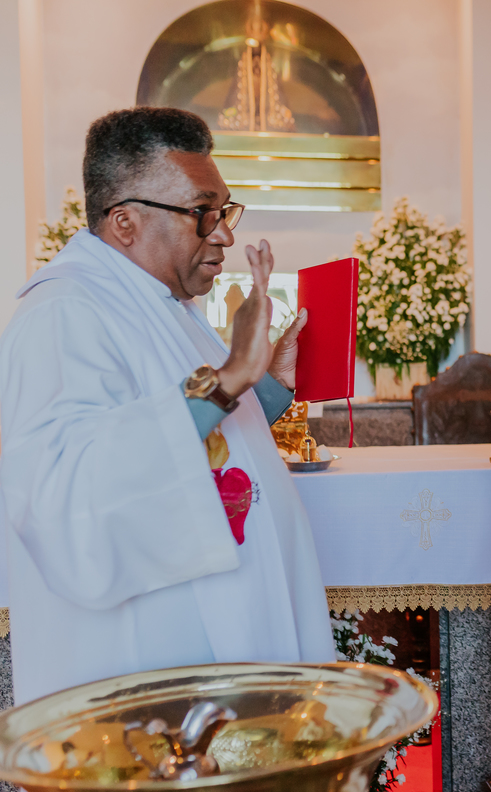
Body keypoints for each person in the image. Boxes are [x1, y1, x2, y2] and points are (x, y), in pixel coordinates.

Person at [0, 107, 336, 705]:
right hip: (148, 682)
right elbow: (68, 492)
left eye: (225, 211)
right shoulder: (64, 312)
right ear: (124, 221)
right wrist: (230, 375)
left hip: (228, 652)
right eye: (202, 212)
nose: (224, 233)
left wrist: (267, 384)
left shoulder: (167, 308)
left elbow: (213, 436)